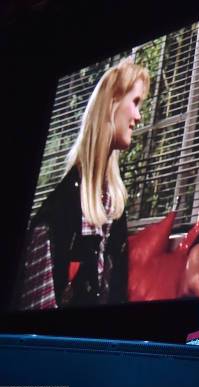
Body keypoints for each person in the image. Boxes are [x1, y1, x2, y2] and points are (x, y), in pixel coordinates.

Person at [15, 59, 150, 310]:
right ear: (111, 103)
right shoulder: (56, 216)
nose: (139, 117)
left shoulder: (115, 208)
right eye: (135, 102)